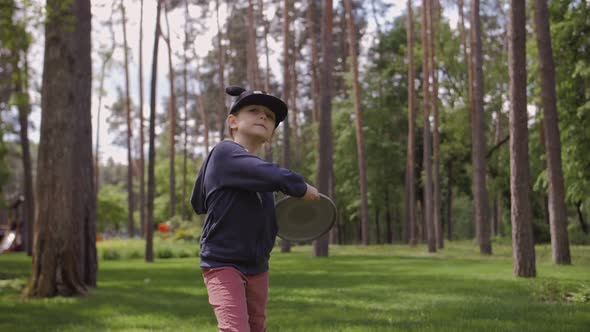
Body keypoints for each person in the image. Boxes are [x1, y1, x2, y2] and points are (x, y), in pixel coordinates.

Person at [190, 86, 320, 332]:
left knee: (256, 328)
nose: (263, 117)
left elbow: (200, 201)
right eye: (254, 110)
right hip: (223, 261)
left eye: (270, 117)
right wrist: (299, 186)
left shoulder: (259, 175)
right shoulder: (224, 152)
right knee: (235, 329)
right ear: (233, 122)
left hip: (258, 265)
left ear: (271, 132)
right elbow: (270, 174)